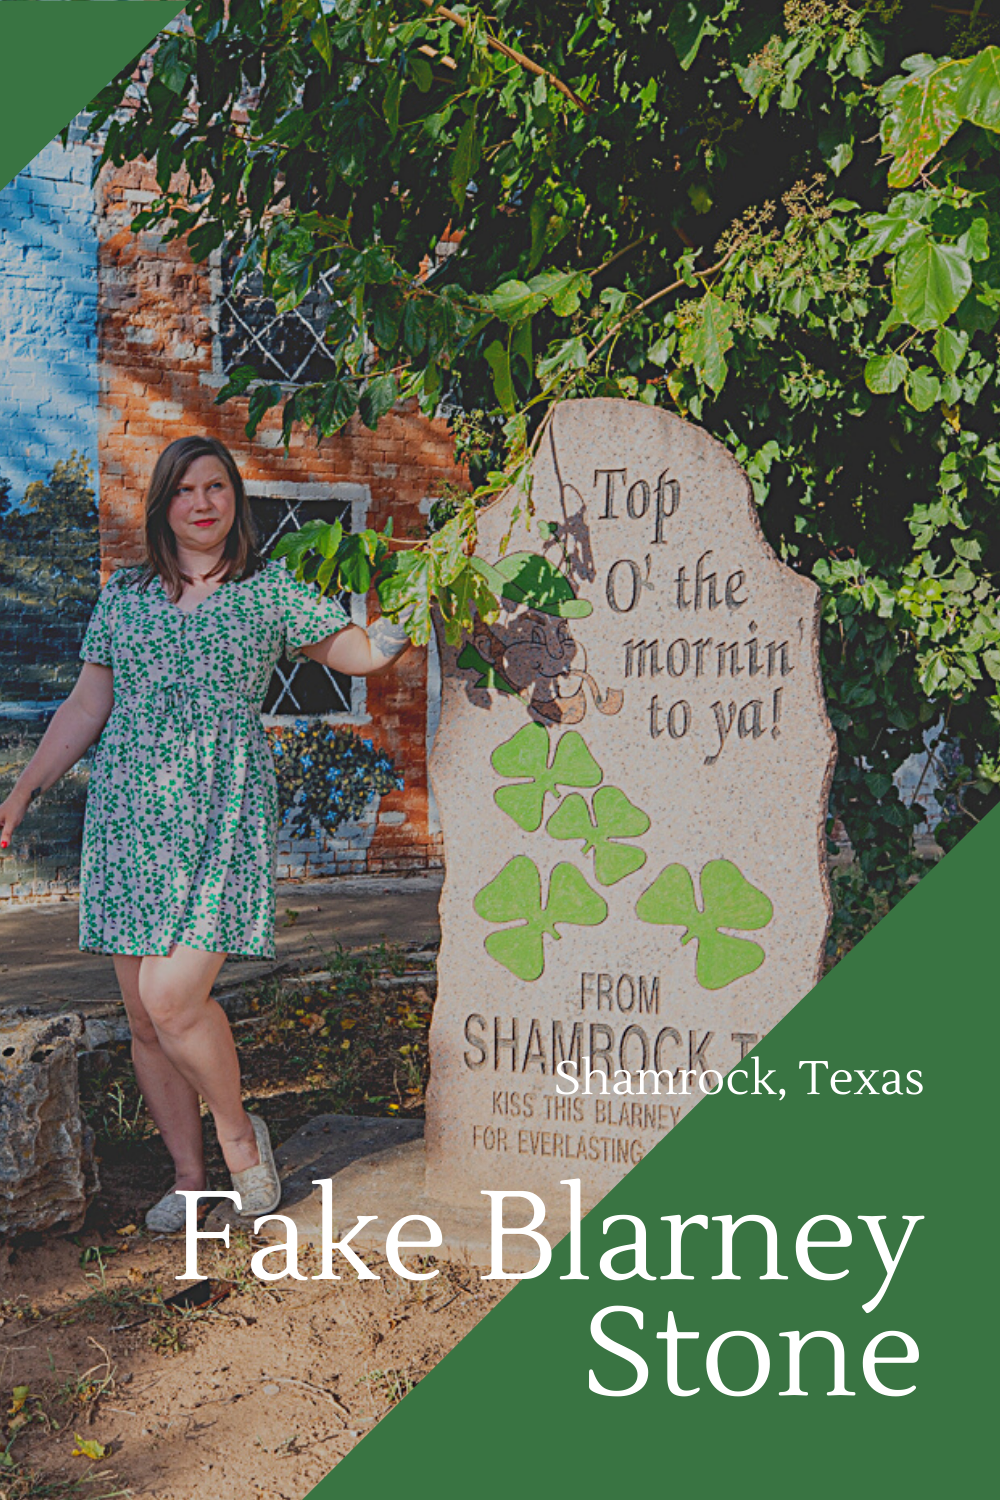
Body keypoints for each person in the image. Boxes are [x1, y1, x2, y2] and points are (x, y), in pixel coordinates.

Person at [0, 435, 414, 1233]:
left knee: (174, 996)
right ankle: (190, 1179)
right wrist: (23, 790)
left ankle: (240, 1142)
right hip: (129, 816)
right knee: (145, 1016)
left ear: (234, 501)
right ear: (164, 504)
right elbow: (87, 707)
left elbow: (356, 652)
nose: (202, 502)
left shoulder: (268, 592)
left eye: (217, 487)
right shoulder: (125, 595)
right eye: (186, 489)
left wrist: (406, 617)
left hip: (220, 810)